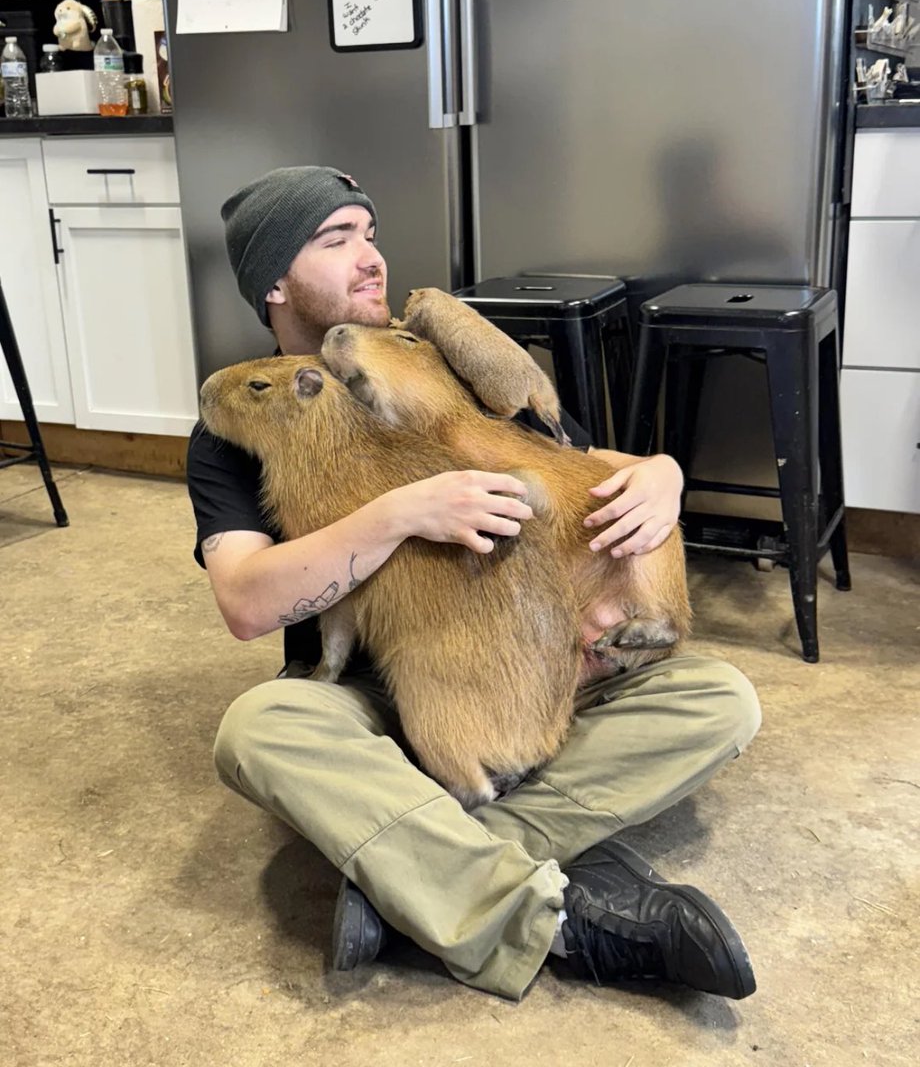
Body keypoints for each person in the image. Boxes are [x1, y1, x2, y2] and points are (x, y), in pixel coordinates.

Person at [187, 166, 762, 1002]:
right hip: (383, 694)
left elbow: (574, 469)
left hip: (545, 671)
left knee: (721, 700)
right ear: (273, 281)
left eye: (370, 233)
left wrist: (663, 473)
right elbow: (244, 600)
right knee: (259, 730)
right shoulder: (239, 422)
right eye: (335, 239)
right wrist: (400, 513)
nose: (370, 257)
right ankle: (555, 919)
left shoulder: (436, 361)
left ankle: (416, 877)